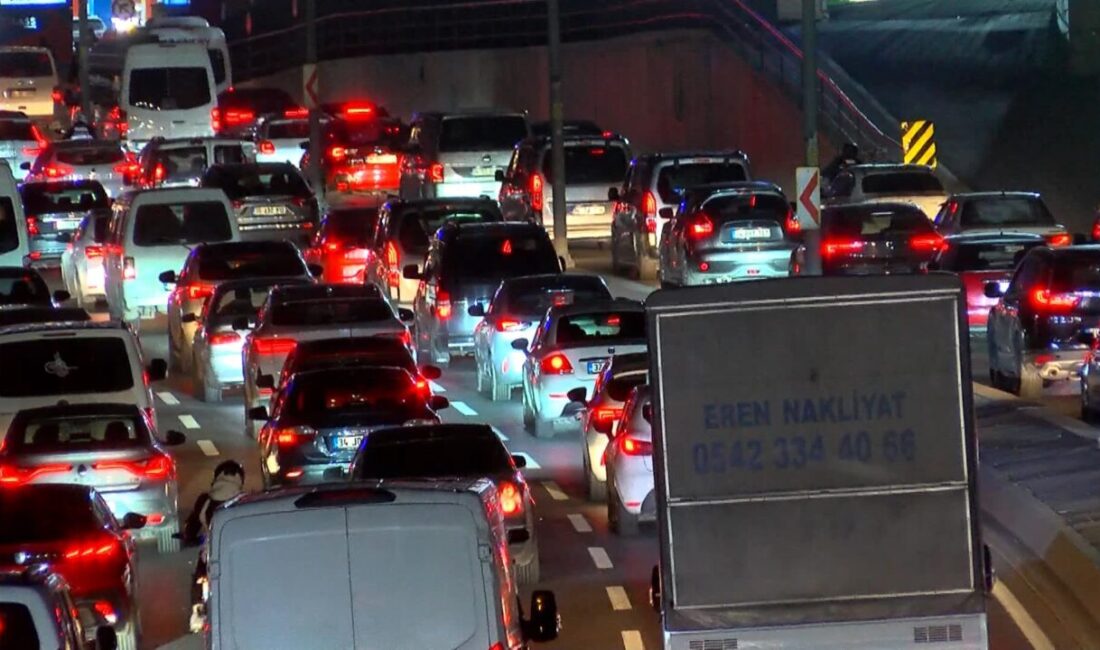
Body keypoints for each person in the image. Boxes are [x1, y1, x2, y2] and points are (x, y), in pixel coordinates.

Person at [184, 460, 246, 633]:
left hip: (210, 551)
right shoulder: (244, 500)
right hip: (234, 553)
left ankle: (197, 610)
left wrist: (188, 536)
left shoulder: (205, 500)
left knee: (199, 572)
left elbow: (192, 526)